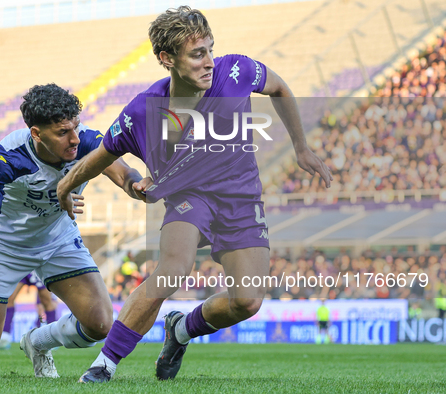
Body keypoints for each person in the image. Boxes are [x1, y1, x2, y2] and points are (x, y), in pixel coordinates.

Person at [57, 6, 332, 382]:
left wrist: (300, 147)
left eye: (211, 50)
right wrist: (65, 186)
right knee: (171, 271)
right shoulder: (143, 111)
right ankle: (104, 365)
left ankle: (181, 330)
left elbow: (280, 88)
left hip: (242, 201)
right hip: (191, 202)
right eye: (198, 54)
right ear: (166, 59)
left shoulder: (236, 72)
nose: (210, 62)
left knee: (247, 302)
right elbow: (100, 156)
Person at [0, 83, 143, 377]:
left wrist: (137, 185)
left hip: (58, 240)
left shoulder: (86, 142)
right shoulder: (7, 157)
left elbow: (123, 173)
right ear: (36, 134)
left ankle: (37, 342)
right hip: (3, 248)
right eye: (62, 133)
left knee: (100, 323)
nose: (73, 139)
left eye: (75, 128)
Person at [0, 272, 58, 350]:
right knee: (10, 298)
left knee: (46, 302)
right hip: (23, 266)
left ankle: (53, 337)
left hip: (37, 267)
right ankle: (4, 336)